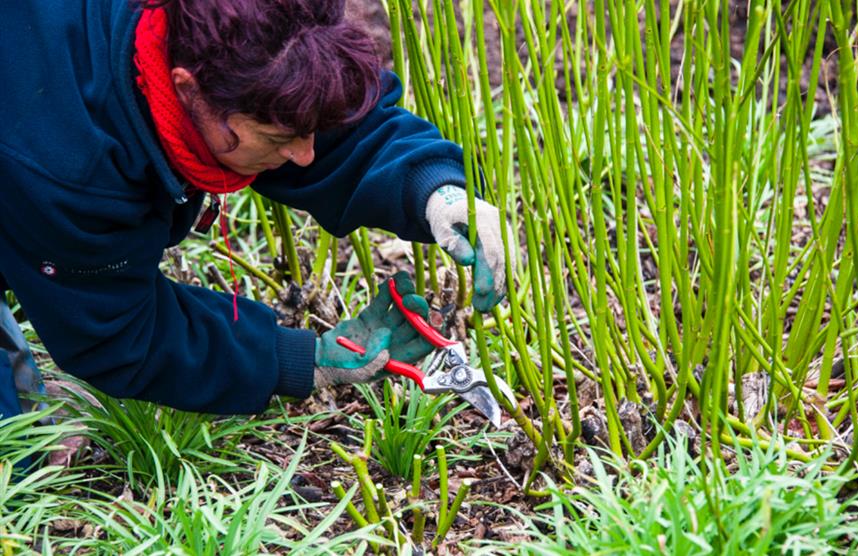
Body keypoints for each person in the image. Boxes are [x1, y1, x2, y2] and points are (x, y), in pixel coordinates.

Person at [0, 0, 510, 425]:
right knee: (10, 457)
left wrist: (435, 188)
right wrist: (298, 361)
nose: (307, 154)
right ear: (187, 91)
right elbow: (117, 330)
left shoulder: (232, 32)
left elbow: (319, 110)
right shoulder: (67, 168)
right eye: (280, 139)